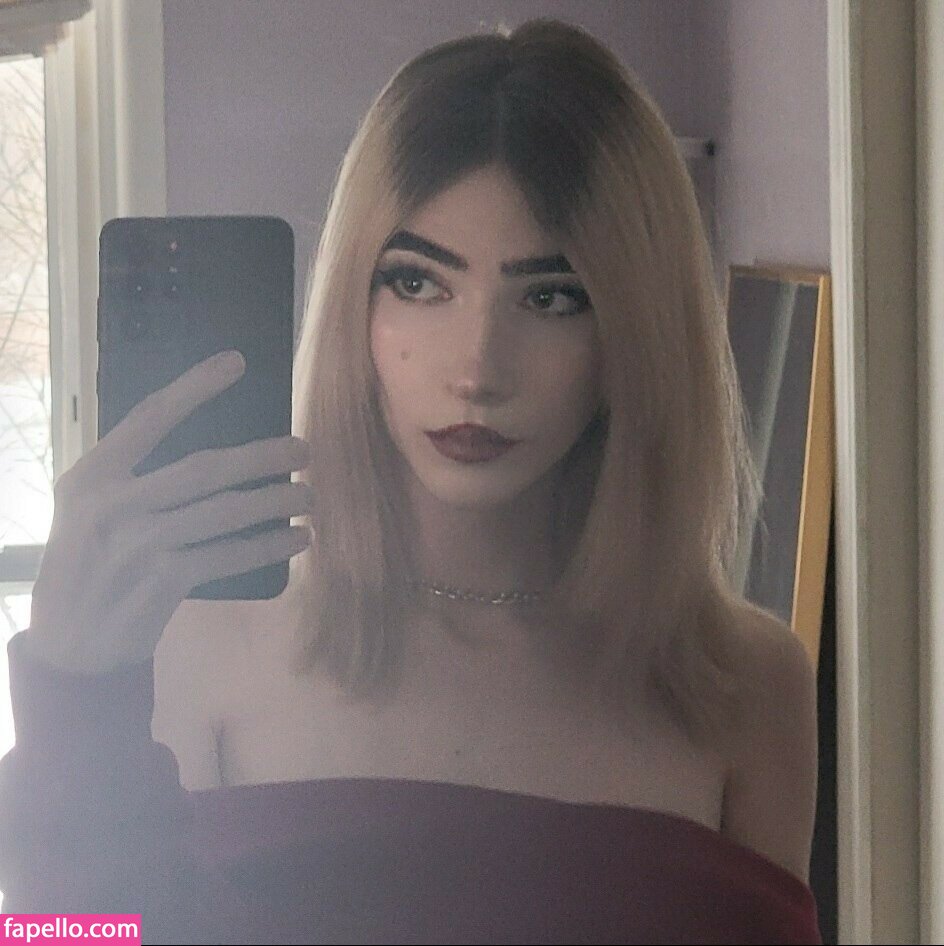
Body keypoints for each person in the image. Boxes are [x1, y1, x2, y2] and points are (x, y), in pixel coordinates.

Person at [0, 18, 821, 945]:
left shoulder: (747, 685)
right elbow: (66, 935)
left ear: (636, 329)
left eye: (551, 296)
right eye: (420, 284)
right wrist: (69, 694)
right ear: (354, 300)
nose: (477, 368)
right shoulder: (194, 651)